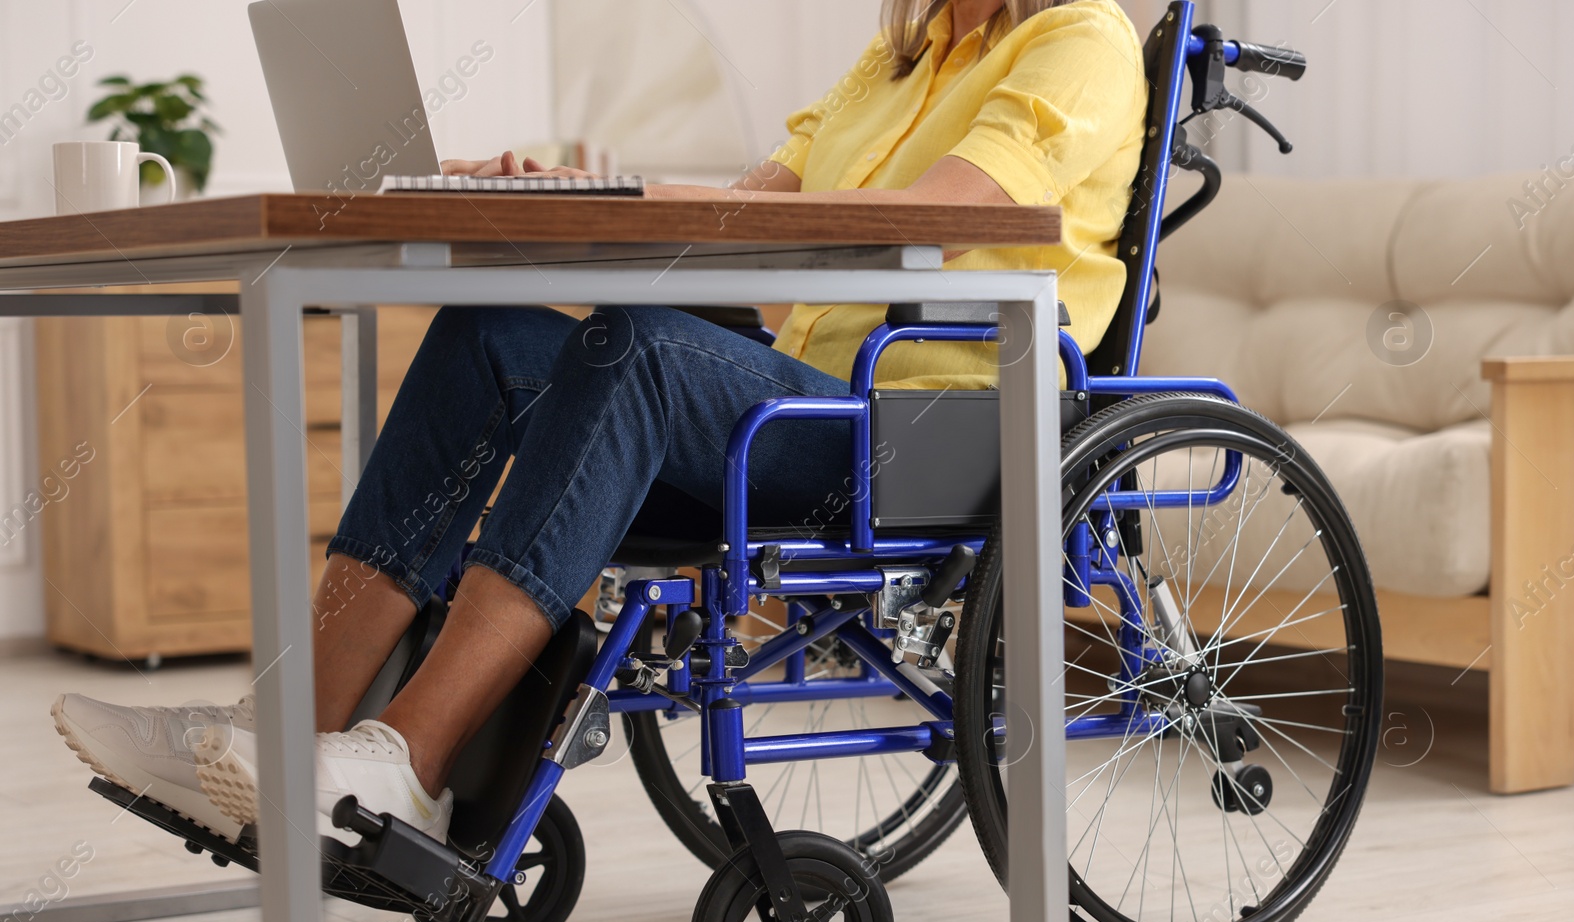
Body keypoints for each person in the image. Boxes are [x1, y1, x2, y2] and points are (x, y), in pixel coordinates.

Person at [52, 0, 1145, 844]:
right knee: (486, 336)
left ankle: (407, 760)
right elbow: (751, 204)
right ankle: (283, 741)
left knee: (643, 345)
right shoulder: (893, 64)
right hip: (800, 397)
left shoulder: (1080, 38)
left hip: (925, 423)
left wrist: (679, 214)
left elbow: (954, 210)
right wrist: (576, 189)